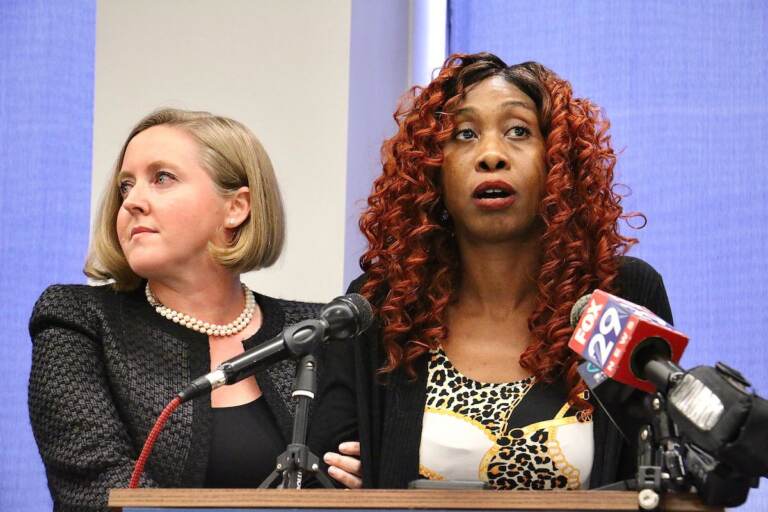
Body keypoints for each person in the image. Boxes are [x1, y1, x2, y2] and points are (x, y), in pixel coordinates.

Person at [312, 53, 673, 490]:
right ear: (432, 169)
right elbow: (328, 473)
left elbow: (657, 468)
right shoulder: (384, 307)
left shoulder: (617, 295)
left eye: (518, 131)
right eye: (464, 134)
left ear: (558, 163)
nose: (490, 155)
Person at [28, 108, 351, 511]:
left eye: (162, 178)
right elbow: (98, 488)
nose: (132, 202)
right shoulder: (77, 320)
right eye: (126, 186)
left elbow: (364, 472)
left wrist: (363, 474)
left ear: (236, 208)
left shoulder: (324, 331)